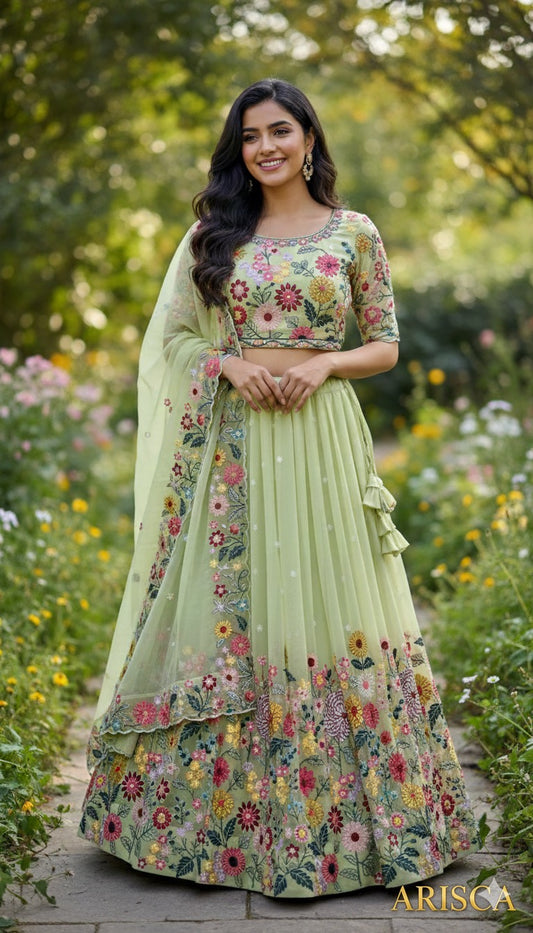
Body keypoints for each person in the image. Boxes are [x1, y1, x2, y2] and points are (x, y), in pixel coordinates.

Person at [79, 78, 480, 898]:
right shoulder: (214, 236)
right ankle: (210, 825)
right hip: (234, 442)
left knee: (336, 603)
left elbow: (385, 344)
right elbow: (174, 340)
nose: (265, 146)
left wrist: (326, 363)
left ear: (307, 138)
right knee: (239, 607)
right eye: (250, 135)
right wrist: (227, 362)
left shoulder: (352, 232)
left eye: (280, 131)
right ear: (239, 149)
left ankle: (369, 822)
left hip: (322, 439)